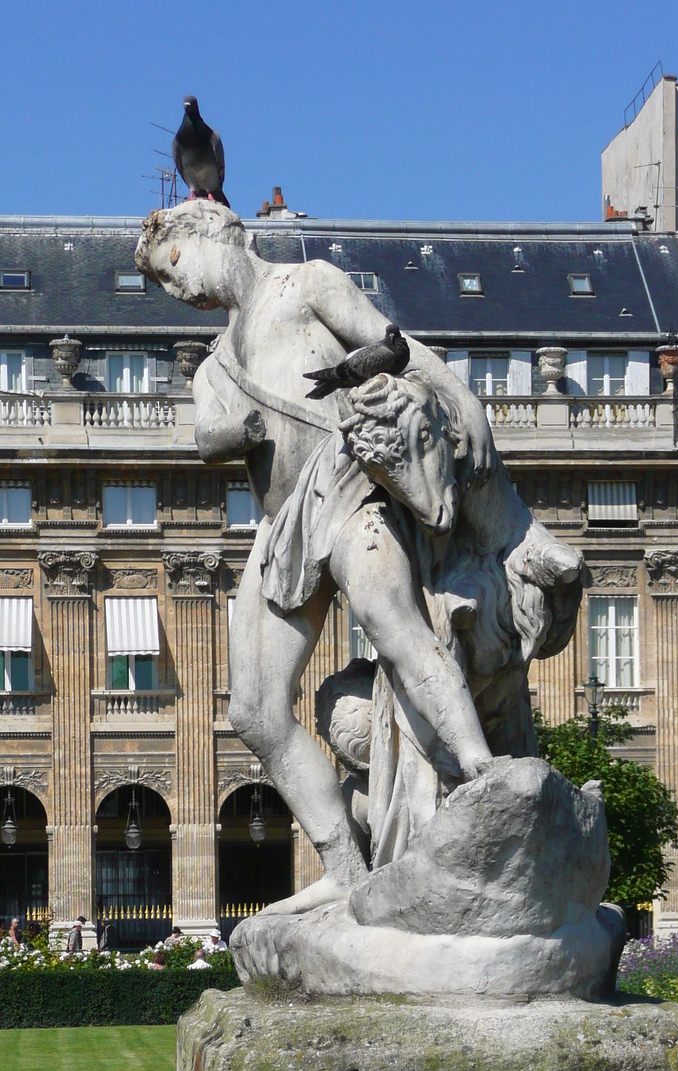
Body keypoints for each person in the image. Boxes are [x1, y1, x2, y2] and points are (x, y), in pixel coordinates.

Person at [136, 202, 582, 913]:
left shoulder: (306, 284)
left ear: (209, 234)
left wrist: (461, 404)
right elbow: (205, 436)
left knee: (394, 624)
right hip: (283, 525)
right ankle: (345, 865)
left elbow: (397, 348)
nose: (179, 292)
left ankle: (479, 769)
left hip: (346, 486)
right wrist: (229, 430)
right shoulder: (214, 363)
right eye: (165, 285)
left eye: (175, 268)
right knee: (253, 710)